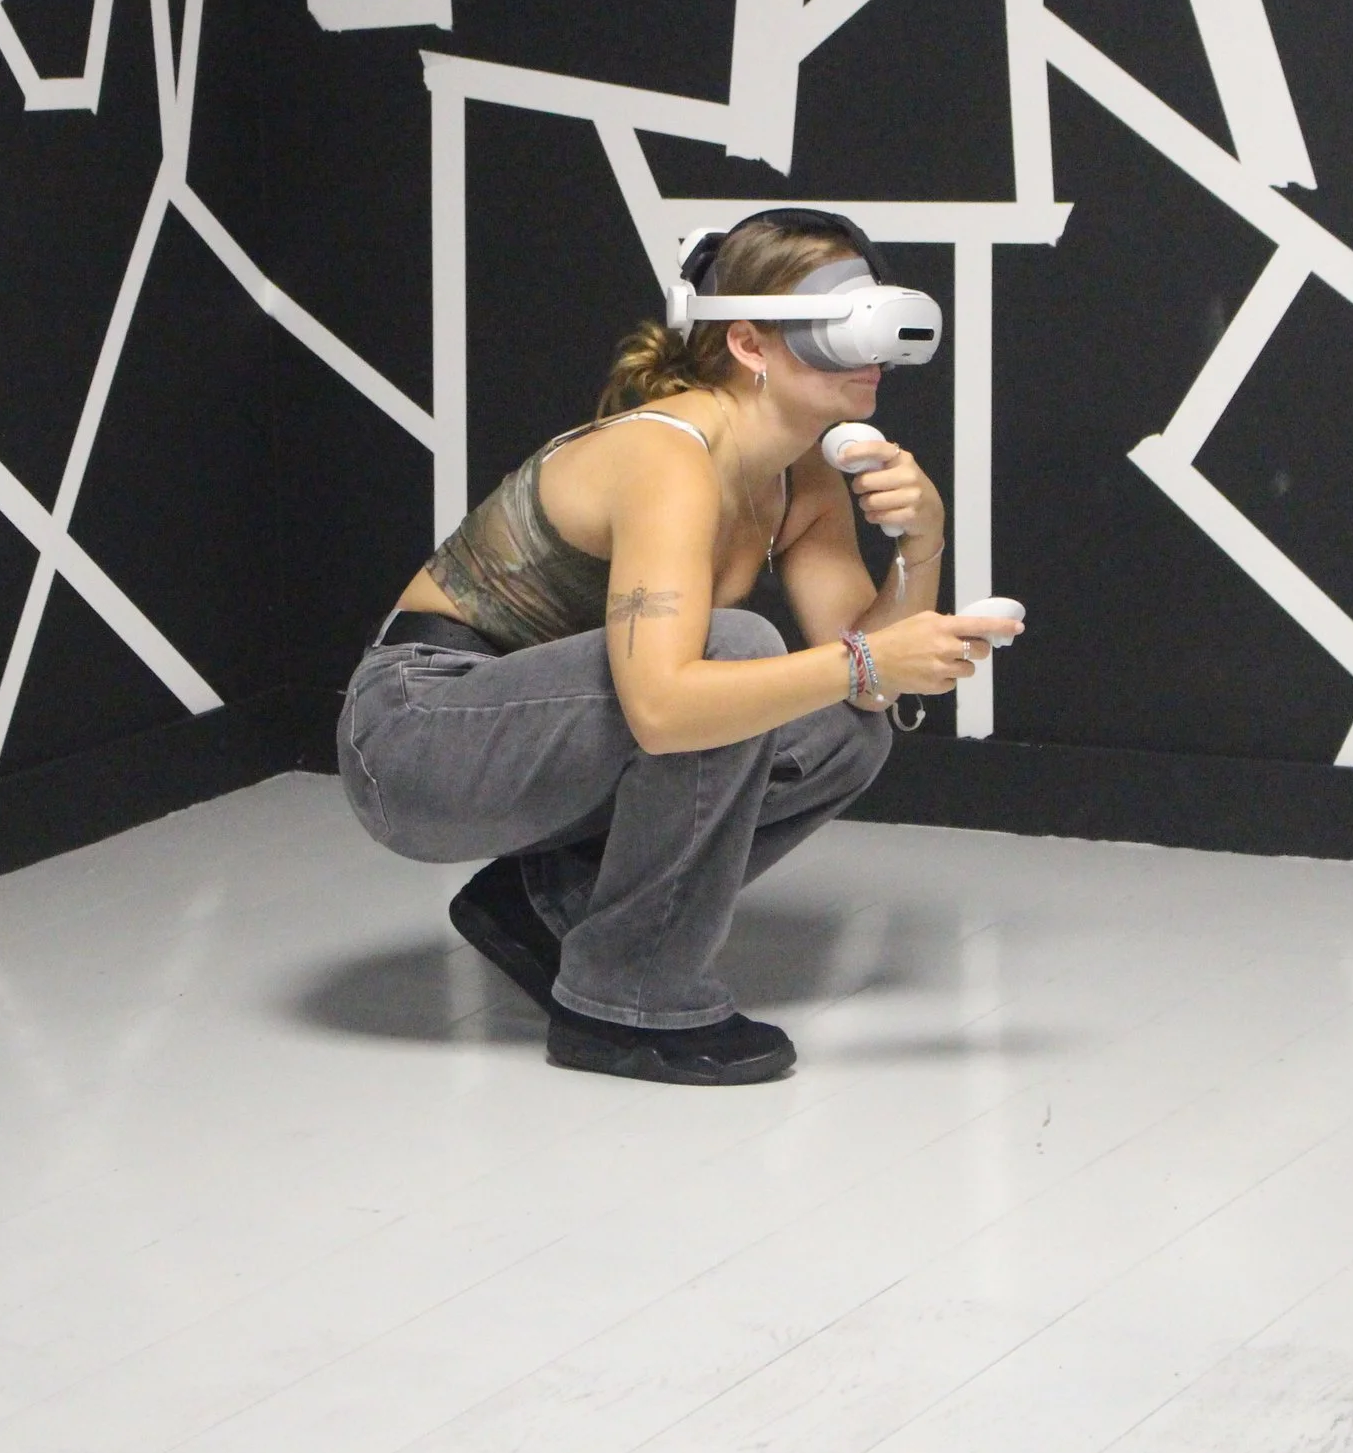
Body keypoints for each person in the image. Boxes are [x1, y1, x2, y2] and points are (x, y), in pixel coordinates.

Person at [336, 210, 1022, 1085]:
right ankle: (626, 1000)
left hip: (537, 736)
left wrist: (921, 542)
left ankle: (552, 907)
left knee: (848, 730)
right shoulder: (668, 456)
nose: (875, 345)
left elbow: (866, 685)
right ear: (748, 341)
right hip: (414, 736)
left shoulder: (802, 476)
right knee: (735, 650)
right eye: (840, 315)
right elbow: (662, 709)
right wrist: (864, 665)